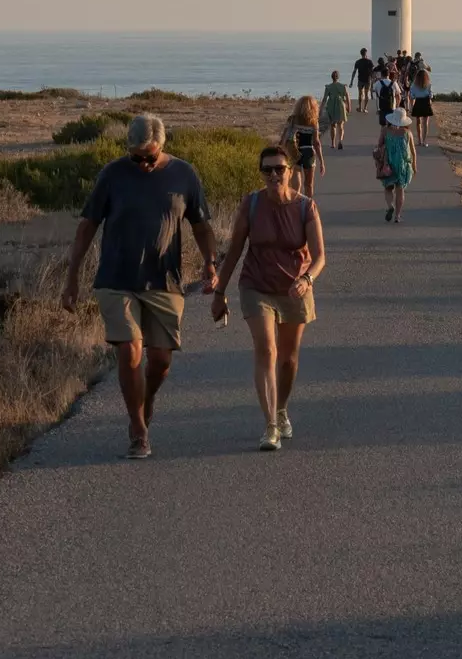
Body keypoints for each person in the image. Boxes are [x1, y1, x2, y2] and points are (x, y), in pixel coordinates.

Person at [61, 114, 216, 459]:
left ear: (163, 146)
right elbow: (87, 226)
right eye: (137, 158)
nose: (144, 164)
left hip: (165, 280)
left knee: (159, 360)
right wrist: (72, 277)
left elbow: (201, 225)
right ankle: (138, 429)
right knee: (130, 349)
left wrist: (210, 262)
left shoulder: (184, 174)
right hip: (117, 279)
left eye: (150, 156)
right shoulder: (112, 175)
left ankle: (146, 400)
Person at [212, 143, 326, 451]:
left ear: (290, 171)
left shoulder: (305, 207)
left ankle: (281, 409)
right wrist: (219, 291)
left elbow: (319, 257)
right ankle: (270, 427)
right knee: (267, 349)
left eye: (279, 169)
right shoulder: (251, 204)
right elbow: (235, 249)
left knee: (288, 360)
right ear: (261, 174)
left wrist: (307, 279)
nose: (274, 175)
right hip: (256, 286)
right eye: (267, 170)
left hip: (294, 288)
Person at [375, 108, 417, 223]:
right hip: (403, 164)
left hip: (388, 163)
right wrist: (414, 166)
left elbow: (379, 145)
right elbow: (413, 151)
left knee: (388, 188)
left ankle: (390, 206)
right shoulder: (408, 133)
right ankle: (397, 216)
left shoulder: (384, 130)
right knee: (400, 189)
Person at [282, 93, 324, 197]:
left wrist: (281, 152)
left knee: (296, 184)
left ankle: (296, 203)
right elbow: (316, 143)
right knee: (309, 184)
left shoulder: (292, 119)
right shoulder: (314, 122)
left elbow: (284, 137)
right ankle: (308, 206)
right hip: (309, 152)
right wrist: (321, 161)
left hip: (294, 151)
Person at [320, 70, 350, 150]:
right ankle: (340, 140)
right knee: (341, 125)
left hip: (331, 106)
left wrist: (320, 109)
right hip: (340, 105)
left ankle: (333, 143)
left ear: (332, 77)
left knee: (333, 125)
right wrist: (348, 106)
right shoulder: (343, 86)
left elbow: (324, 99)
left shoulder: (328, 87)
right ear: (338, 77)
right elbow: (347, 96)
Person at [408, 63, 435, 146]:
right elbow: (431, 95)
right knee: (425, 123)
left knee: (418, 122)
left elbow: (411, 96)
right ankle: (424, 141)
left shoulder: (414, 85)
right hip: (426, 103)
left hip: (418, 103)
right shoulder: (428, 85)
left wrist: (412, 106)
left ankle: (419, 140)